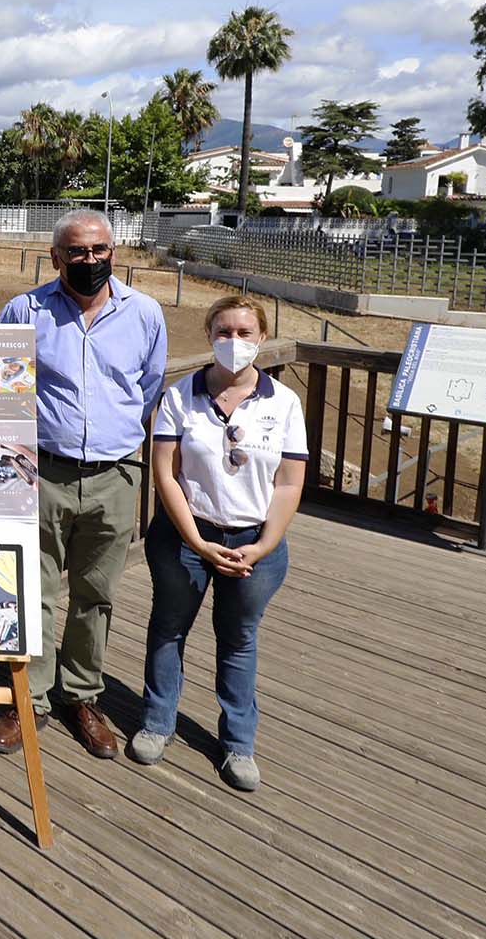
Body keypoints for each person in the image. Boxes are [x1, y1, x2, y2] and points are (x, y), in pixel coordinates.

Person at [0, 210, 166, 758]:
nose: (89, 260)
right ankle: (31, 699)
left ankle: (82, 694)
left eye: (99, 250)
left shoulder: (145, 313)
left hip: (115, 475)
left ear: (114, 252)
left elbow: (150, 386)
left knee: (96, 594)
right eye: (76, 252)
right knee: (32, 592)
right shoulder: (25, 309)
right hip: (43, 470)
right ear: (55, 257)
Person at [133, 295, 305, 791]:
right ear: (209, 336)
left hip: (255, 541)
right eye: (223, 332)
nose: (234, 342)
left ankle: (238, 743)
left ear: (262, 339)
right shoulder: (179, 396)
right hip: (185, 536)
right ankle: (157, 722)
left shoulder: (284, 403)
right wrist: (195, 540)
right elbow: (165, 472)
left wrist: (265, 544)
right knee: (168, 628)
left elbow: (290, 484)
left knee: (238, 639)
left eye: (244, 333)